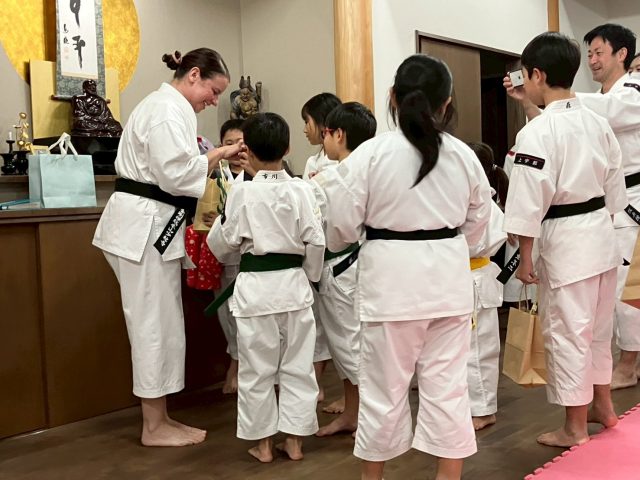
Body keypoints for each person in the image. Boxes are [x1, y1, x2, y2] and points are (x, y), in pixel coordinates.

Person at [319, 54, 491, 480]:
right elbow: (479, 226)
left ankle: (372, 478)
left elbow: (339, 227)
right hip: (448, 280)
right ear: (446, 102)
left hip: (391, 284)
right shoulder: (464, 156)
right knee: (448, 389)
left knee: (383, 392)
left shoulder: (370, 156)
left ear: (392, 97)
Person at [93, 48, 243, 447]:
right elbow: (176, 174)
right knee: (152, 323)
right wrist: (218, 154)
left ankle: (159, 418)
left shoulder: (170, 108)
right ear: (193, 75)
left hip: (149, 224)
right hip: (142, 227)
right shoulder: (164, 109)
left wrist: (213, 158)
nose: (214, 101)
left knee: (162, 321)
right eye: (213, 91)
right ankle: (153, 426)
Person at [503, 32, 627, 448]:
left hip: (567, 242)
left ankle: (574, 427)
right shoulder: (596, 122)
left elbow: (527, 201)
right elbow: (615, 190)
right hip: (602, 236)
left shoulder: (538, 132)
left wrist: (525, 257)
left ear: (537, 75)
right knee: (597, 331)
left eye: (526, 75)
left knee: (568, 333)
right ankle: (602, 406)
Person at [207, 112, 325, 462]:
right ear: (287, 149)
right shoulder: (303, 189)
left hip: (255, 292)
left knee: (257, 370)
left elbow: (224, 244)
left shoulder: (242, 191)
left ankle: (263, 445)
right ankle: (295, 441)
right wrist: (309, 276)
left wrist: (222, 236)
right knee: (298, 366)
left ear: (248, 151)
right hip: (294, 289)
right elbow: (316, 242)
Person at [309, 102, 377, 437]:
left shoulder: (332, 179)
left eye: (325, 133)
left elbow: (320, 230)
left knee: (350, 345)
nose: (324, 140)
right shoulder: (375, 169)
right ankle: (354, 413)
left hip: (341, 265)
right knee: (353, 344)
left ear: (339, 134)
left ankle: (365, 417)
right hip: (365, 263)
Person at [301, 92, 343, 410]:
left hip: (341, 253)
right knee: (317, 324)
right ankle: (315, 386)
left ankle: (350, 398)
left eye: (308, 122)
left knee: (344, 330)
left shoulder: (345, 162)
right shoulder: (312, 162)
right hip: (317, 253)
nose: (305, 129)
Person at [466, 142, 508, 431]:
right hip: (460, 277)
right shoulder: (465, 200)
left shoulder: (486, 205)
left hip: (476, 276)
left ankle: (483, 409)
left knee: (479, 348)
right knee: (462, 348)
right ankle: (468, 404)